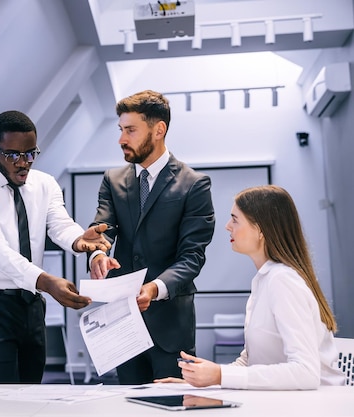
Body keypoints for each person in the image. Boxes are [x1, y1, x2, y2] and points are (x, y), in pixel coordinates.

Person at [0, 110, 111, 384]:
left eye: (30, 153)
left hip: (31, 305)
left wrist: (80, 241)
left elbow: (61, 225)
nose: (23, 163)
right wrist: (46, 281)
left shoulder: (45, 184)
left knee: (32, 393)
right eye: (13, 154)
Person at [157, 185, 345, 389]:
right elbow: (251, 362)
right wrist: (200, 381)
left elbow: (306, 373)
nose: (228, 226)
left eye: (235, 219)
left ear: (261, 230)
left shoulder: (282, 281)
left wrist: (220, 375)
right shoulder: (264, 279)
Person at [88, 90, 216, 384]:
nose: (122, 139)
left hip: (170, 328)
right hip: (122, 324)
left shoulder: (194, 185)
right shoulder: (113, 180)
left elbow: (192, 257)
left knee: (171, 409)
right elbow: (103, 229)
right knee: (127, 408)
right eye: (120, 129)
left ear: (159, 130)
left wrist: (154, 289)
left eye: (130, 130)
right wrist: (97, 255)